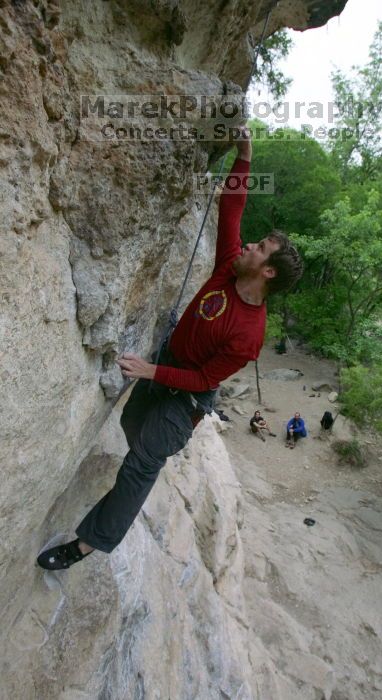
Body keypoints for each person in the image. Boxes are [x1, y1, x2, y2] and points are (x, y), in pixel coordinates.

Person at [37, 128, 303, 570]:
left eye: (258, 248)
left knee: (141, 463)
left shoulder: (249, 334)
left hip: (187, 400)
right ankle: (146, 460)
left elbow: (204, 380)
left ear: (268, 272)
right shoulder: (229, 267)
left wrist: (149, 371)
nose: (248, 245)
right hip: (166, 365)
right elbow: (231, 207)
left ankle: (85, 544)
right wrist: (245, 155)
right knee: (131, 423)